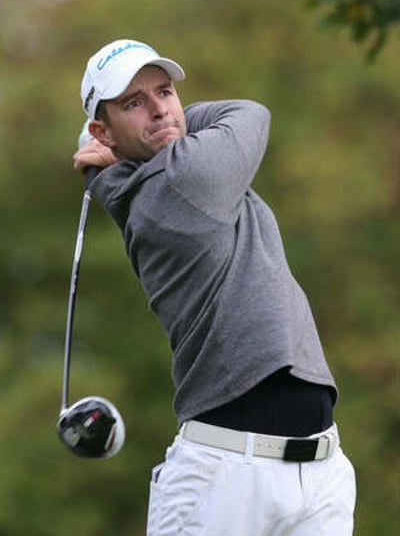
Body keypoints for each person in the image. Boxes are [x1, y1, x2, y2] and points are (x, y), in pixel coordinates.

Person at [72, 39, 356, 535]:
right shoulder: (185, 180)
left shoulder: (146, 183)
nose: (160, 109)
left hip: (321, 471)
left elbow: (144, 147)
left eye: (165, 92)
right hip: (225, 477)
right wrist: (170, 125)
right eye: (134, 102)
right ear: (102, 132)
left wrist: (128, 143)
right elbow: (249, 114)